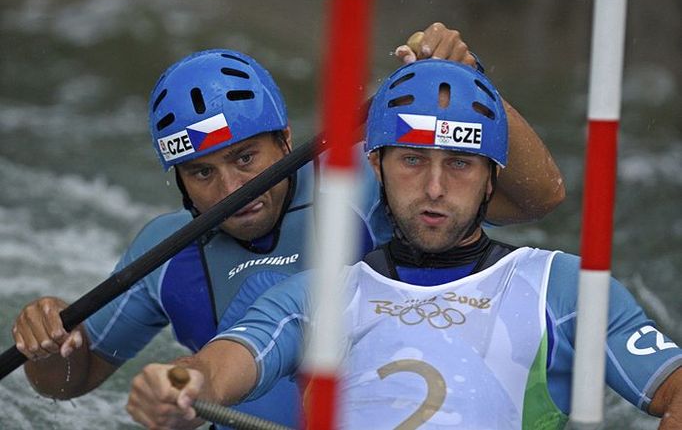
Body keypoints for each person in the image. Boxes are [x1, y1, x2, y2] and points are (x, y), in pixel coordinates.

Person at [12, 24, 565, 429]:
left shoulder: (364, 186)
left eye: (247, 159)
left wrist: (467, 84)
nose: (230, 190)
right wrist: (50, 353)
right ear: (178, 181)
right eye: (202, 172)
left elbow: (539, 198)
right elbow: (69, 385)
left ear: (284, 143)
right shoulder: (163, 252)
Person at [126, 59, 682, 430]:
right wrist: (178, 385)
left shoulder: (566, 289)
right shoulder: (316, 294)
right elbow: (222, 367)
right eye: (413, 161)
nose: (435, 188)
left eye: (459, 163)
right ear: (378, 167)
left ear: (493, 176)